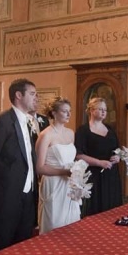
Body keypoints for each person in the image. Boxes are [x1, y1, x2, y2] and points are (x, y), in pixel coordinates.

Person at [0, 78, 39, 254]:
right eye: (32, 94)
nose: (36, 98)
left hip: (26, 197)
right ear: (18, 95)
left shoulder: (28, 122)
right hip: (4, 199)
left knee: (22, 248)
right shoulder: (1, 122)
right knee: (0, 249)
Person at [35, 98, 80, 233]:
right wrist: (64, 172)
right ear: (54, 113)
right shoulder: (45, 135)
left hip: (70, 183)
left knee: (71, 222)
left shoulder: (71, 133)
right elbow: (39, 167)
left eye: (69, 111)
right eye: (64, 111)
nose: (68, 114)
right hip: (53, 183)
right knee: (54, 222)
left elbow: (71, 159)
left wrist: (77, 172)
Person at [74, 97, 122, 216]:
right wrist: (99, 162)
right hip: (93, 175)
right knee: (95, 209)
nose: (103, 112)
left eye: (105, 109)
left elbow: (117, 150)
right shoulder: (83, 130)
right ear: (91, 110)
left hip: (111, 174)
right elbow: (78, 155)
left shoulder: (110, 129)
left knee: (113, 208)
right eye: (100, 109)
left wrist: (118, 157)